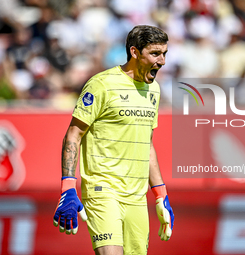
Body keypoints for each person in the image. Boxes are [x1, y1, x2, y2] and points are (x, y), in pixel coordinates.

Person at [53, 25, 174, 255]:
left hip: (137, 196)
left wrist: (160, 195)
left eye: (164, 54)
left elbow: (147, 144)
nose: (162, 61)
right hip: (103, 191)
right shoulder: (101, 85)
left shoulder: (154, 91)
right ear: (135, 52)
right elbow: (73, 134)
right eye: (155, 54)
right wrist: (68, 187)